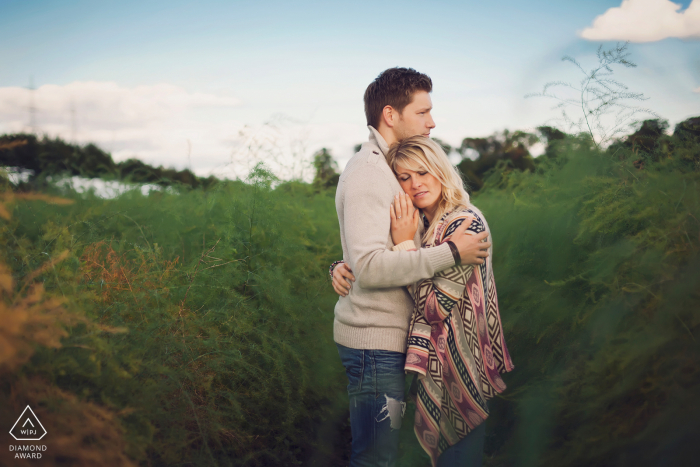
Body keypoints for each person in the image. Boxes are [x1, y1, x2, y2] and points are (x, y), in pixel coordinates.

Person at [330, 67, 492, 467]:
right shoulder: (370, 171)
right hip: (373, 344)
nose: (431, 122)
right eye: (423, 112)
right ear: (390, 114)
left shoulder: (386, 168)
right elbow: (370, 265)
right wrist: (451, 253)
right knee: (375, 458)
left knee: (383, 455)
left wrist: (341, 263)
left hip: (391, 343)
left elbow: (366, 250)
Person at [386, 136, 513, 467]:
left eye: (423, 172)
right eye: (404, 177)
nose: (415, 184)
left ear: (440, 171)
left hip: (461, 361)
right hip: (434, 362)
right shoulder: (421, 223)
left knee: (459, 458)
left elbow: (433, 308)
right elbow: (376, 266)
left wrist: (404, 248)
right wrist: (340, 267)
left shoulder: (464, 222)